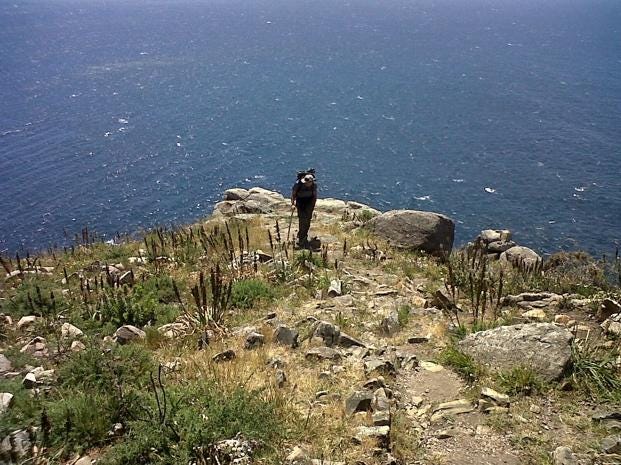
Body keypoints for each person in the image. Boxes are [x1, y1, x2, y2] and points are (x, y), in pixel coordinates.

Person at [291, 170, 317, 248]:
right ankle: (302, 238)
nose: (307, 184)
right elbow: (293, 195)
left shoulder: (314, 186)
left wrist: (312, 206)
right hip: (300, 202)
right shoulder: (298, 184)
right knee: (302, 220)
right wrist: (293, 204)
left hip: (309, 202)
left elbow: (314, 196)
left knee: (308, 220)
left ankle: (304, 234)